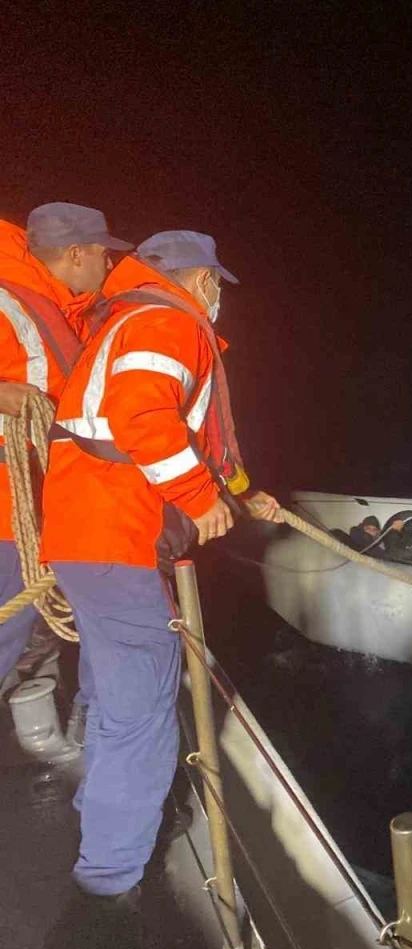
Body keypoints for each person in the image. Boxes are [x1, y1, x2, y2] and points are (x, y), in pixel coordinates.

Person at [39, 231, 283, 910]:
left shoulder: (126, 319)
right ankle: (107, 886)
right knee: (142, 709)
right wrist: (203, 500)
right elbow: (141, 417)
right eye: (216, 282)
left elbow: (198, 441)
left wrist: (242, 493)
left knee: (113, 692)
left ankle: (101, 815)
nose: (219, 296)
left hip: (89, 538)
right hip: (116, 539)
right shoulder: (167, 321)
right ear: (199, 279)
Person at [0, 203, 132, 737]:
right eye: (102, 253)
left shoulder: (62, 306)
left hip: (56, 499)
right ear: (76, 253)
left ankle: (89, 723)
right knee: (8, 624)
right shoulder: (8, 298)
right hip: (9, 509)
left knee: (93, 612)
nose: (108, 264)